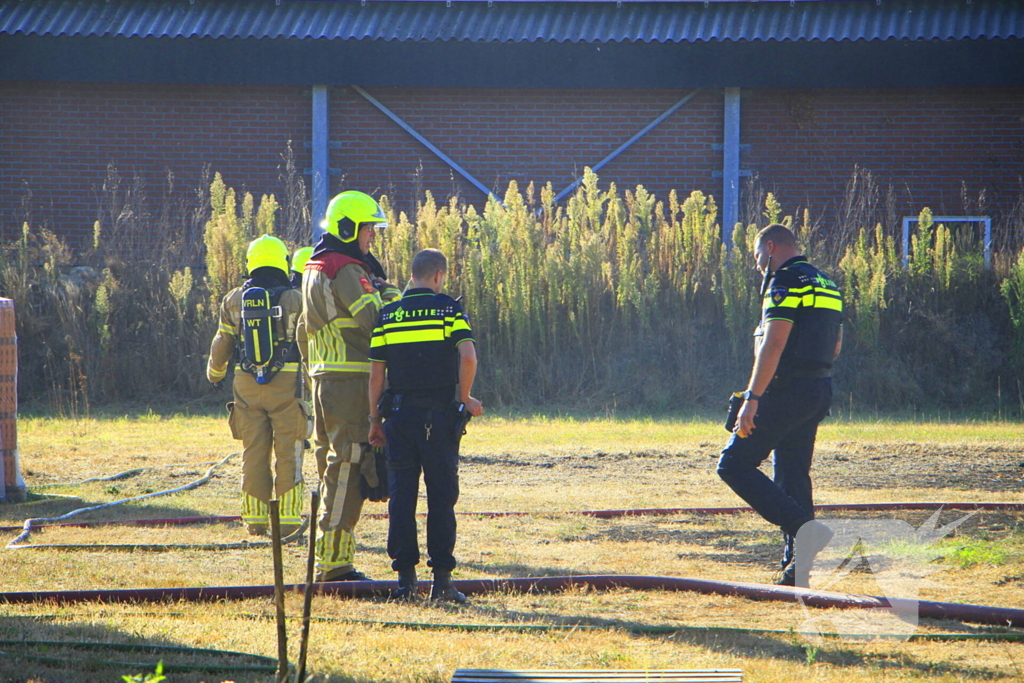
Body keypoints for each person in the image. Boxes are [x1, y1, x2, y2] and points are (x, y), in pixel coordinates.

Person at [717, 224, 842, 588]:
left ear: (770, 247)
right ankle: (796, 571)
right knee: (792, 474)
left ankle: (806, 531)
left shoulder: (784, 281)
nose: (758, 265)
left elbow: (773, 343)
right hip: (819, 388)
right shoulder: (826, 283)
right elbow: (835, 345)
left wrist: (752, 399)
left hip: (785, 389)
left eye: (758, 256)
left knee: (734, 464)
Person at [367, 248, 483, 603]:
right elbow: (468, 356)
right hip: (438, 419)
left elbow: (376, 375)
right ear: (438, 277)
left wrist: (374, 419)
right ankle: (442, 583)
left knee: (401, 498)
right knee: (441, 498)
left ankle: (405, 582)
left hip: (398, 418)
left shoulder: (387, 315)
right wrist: (464, 398)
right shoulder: (449, 309)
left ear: (412, 275)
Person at [299, 190, 401, 582]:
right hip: (351, 381)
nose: (372, 237)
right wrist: (390, 294)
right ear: (347, 228)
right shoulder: (346, 269)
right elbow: (376, 323)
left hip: (324, 380)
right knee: (349, 464)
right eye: (368, 229)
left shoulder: (315, 265)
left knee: (332, 464)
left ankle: (327, 559)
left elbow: (301, 331)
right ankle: (335, 566)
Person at [207, 234, 306, 537]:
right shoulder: (296, 299)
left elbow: (223, 341)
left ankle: (255, 519)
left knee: (253, 451)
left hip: (245, 383)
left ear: (250, 264)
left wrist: (215, 372)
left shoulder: (233, 299)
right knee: (289, 450)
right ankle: (288, 521)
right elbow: (308, 341)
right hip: (287, 383)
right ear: (283, 262)